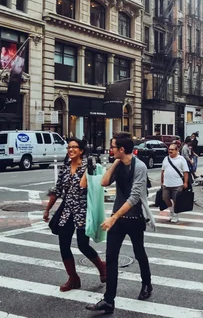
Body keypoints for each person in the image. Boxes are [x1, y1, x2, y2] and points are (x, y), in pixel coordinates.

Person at [86, 133, 152, 314]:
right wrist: (116, 162)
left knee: (139, 252)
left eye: (113, 147)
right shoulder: (119, 164)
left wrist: (113, 217)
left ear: (121, 149)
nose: (110, 149)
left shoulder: (140, 167)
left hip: (134, 218)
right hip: (117, 218)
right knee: (111, 257)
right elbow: (104, 182)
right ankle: (108, 301)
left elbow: (134, 197)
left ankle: (147, 284)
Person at [43, 138, 106, 292]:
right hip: (67, 211)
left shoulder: (88, 167)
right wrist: (47, 209)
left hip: (83, 211)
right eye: (69, 147)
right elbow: (57, 190)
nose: (70, 150)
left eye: (74, 147)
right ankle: (73, 278)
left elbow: (90, 186)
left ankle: (102, 268)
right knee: (63, 245)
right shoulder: (65, 169)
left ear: (81, 150)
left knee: (83, 245)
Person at [161, 144, 189, 223]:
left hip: (177, 184)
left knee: (176, 200)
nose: (170, 151)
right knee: (165, 198)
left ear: (177, 150)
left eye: (172, 149)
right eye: (169, 149)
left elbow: (185, 172)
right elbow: (163, 171)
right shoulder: (166, 159)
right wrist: (162, 181)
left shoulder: (181, 159)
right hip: (166, 184)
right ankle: (171, 211)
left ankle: (175, 215)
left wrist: (185, 182)